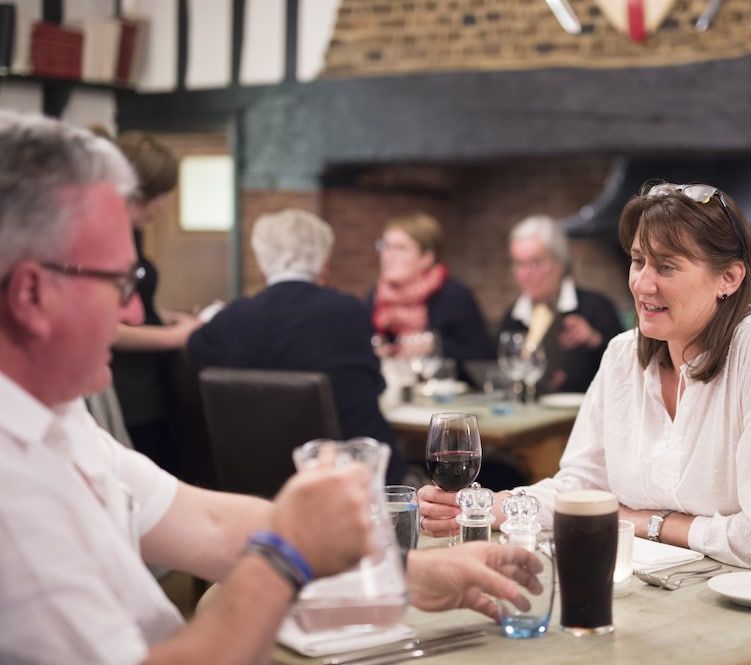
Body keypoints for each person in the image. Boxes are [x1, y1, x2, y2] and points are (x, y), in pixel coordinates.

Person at [0, 111, 541, 664]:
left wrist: (409, 574)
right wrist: (288, 553)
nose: (133, 309)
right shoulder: (12, 493)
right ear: (31, 296)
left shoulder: (60, 424)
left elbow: (207, 524)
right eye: (118, 280)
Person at [422, 183, 751, 664]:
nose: (643, 284)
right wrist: (490, 505)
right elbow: (581, 485)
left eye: (667, 266)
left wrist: (643, 521)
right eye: (639, 260)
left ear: (728, 277)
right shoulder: (623, 355)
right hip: (655, 615)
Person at [187, 208, 407, 484]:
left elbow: (194, 353)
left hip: (258, 481)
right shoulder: (347, 311)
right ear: (324, 261)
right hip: (357, 477)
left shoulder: (231, 319)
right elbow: (375, 385)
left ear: (262, 260)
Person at [110, 131, 203, 475]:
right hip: (127, 391)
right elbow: (107, 326)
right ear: (136, 193)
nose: (162, 207)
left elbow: (133, 307)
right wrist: (175, 337)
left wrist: (168, 317)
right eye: (157, 196)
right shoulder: (101, 241)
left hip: (149, 385)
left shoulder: (130, 235)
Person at [498, 215, 622, 394]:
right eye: (519, 264)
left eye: (535, 263)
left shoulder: (596, 307)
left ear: (560, 263)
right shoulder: (513, 316)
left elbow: (625, 371)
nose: (526, 274)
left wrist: (594, 340)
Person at [367, 212, 494, 385]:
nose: (388, 255)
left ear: (427, 257)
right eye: (386, 246)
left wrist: (435, 346)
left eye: (401, 248)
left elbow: (483, 360)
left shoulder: (453, 297)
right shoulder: (376, 298)